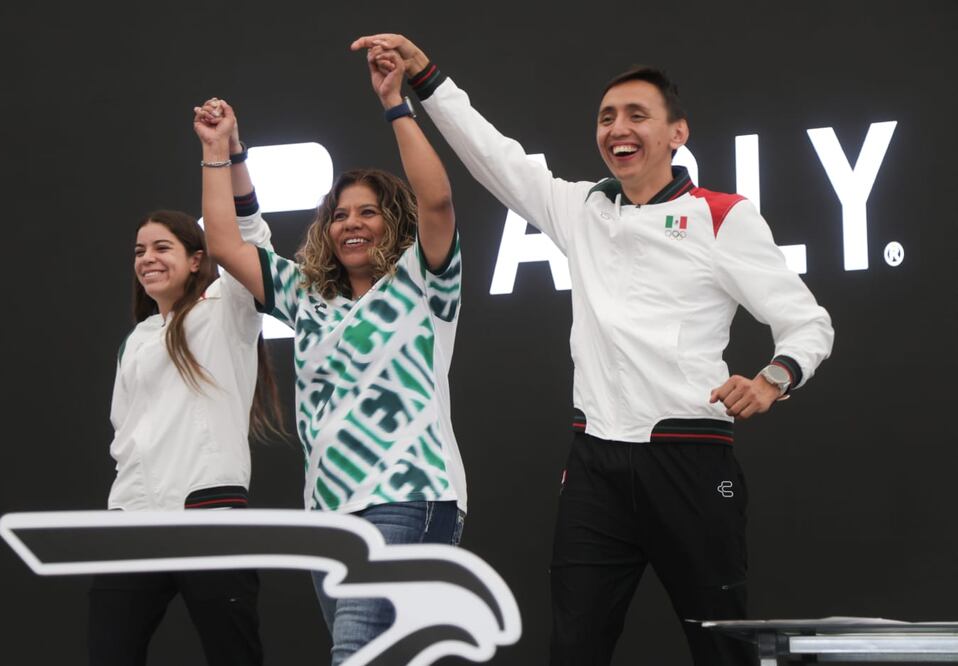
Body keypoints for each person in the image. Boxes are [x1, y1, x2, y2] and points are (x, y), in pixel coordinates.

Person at [350, 34, 835, 666]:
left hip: (689, 458)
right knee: (574, 647)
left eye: (637, 115)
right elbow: (493, 157)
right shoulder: (583, 207)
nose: (618, 129)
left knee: (722, 648)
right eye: (607, 118)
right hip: (595, 467)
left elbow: (808, 324)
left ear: (677, 133)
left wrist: (772, 378)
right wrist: (425, 78)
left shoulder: (722, 215)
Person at [193, 50, 466, 666]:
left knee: (355, 653)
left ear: (392, 220)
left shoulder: (421, 284)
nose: (351, 223)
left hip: (410, 496)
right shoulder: (308, 299)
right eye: (339, 214)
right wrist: (219, 149)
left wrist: (396, 103)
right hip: (328, 515)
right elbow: (226, 242)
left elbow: (439, 202)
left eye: (367, 211)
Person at [87, 113, 281, 665]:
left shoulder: (225, 309)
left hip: (208, 511)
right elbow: (123, 434)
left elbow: (250, 239)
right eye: (139, 251)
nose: (147, 259)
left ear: (197, 259)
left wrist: (224, 153)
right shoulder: (137, 339)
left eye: (162, 248)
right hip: (133, 521)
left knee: (233, 655)